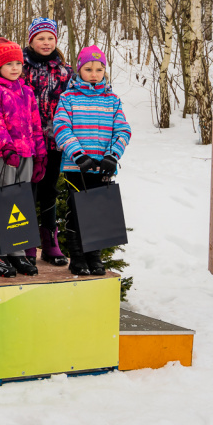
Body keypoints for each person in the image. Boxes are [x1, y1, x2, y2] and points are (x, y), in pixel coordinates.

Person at [53, 45, 131, 276]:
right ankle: (77, 257)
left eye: (99, 69)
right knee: (77, 209)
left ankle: (94, 256)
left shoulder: (112, 100)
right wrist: (78, 155)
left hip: (103, 166)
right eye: (88, 69)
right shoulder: (69, 98)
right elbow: (61, 128)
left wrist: (112, 155)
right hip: (77, 165)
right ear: (79, 70)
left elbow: (123, 131)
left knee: (97, 211)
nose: (94, 74)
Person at [0, 38, 46, 278]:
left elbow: (36, 125)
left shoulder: (27, 91)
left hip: (26, 155)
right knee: (4, 203)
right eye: (9, 64)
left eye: (18, 63)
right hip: (3, 156)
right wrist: (7, 148)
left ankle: (17, 253)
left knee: (21, 205)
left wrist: (40, 154)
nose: (15, 68)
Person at [21, 18, 73, 266]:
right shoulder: (19, 67)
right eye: (40, 38)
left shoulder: (65, 71)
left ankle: (50, 242)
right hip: (26, 141)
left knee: (49, 189)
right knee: (28, 189)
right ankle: (28, 243)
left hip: (54, 141)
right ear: (31, 40)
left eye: (50, 38)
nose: (46, 42)